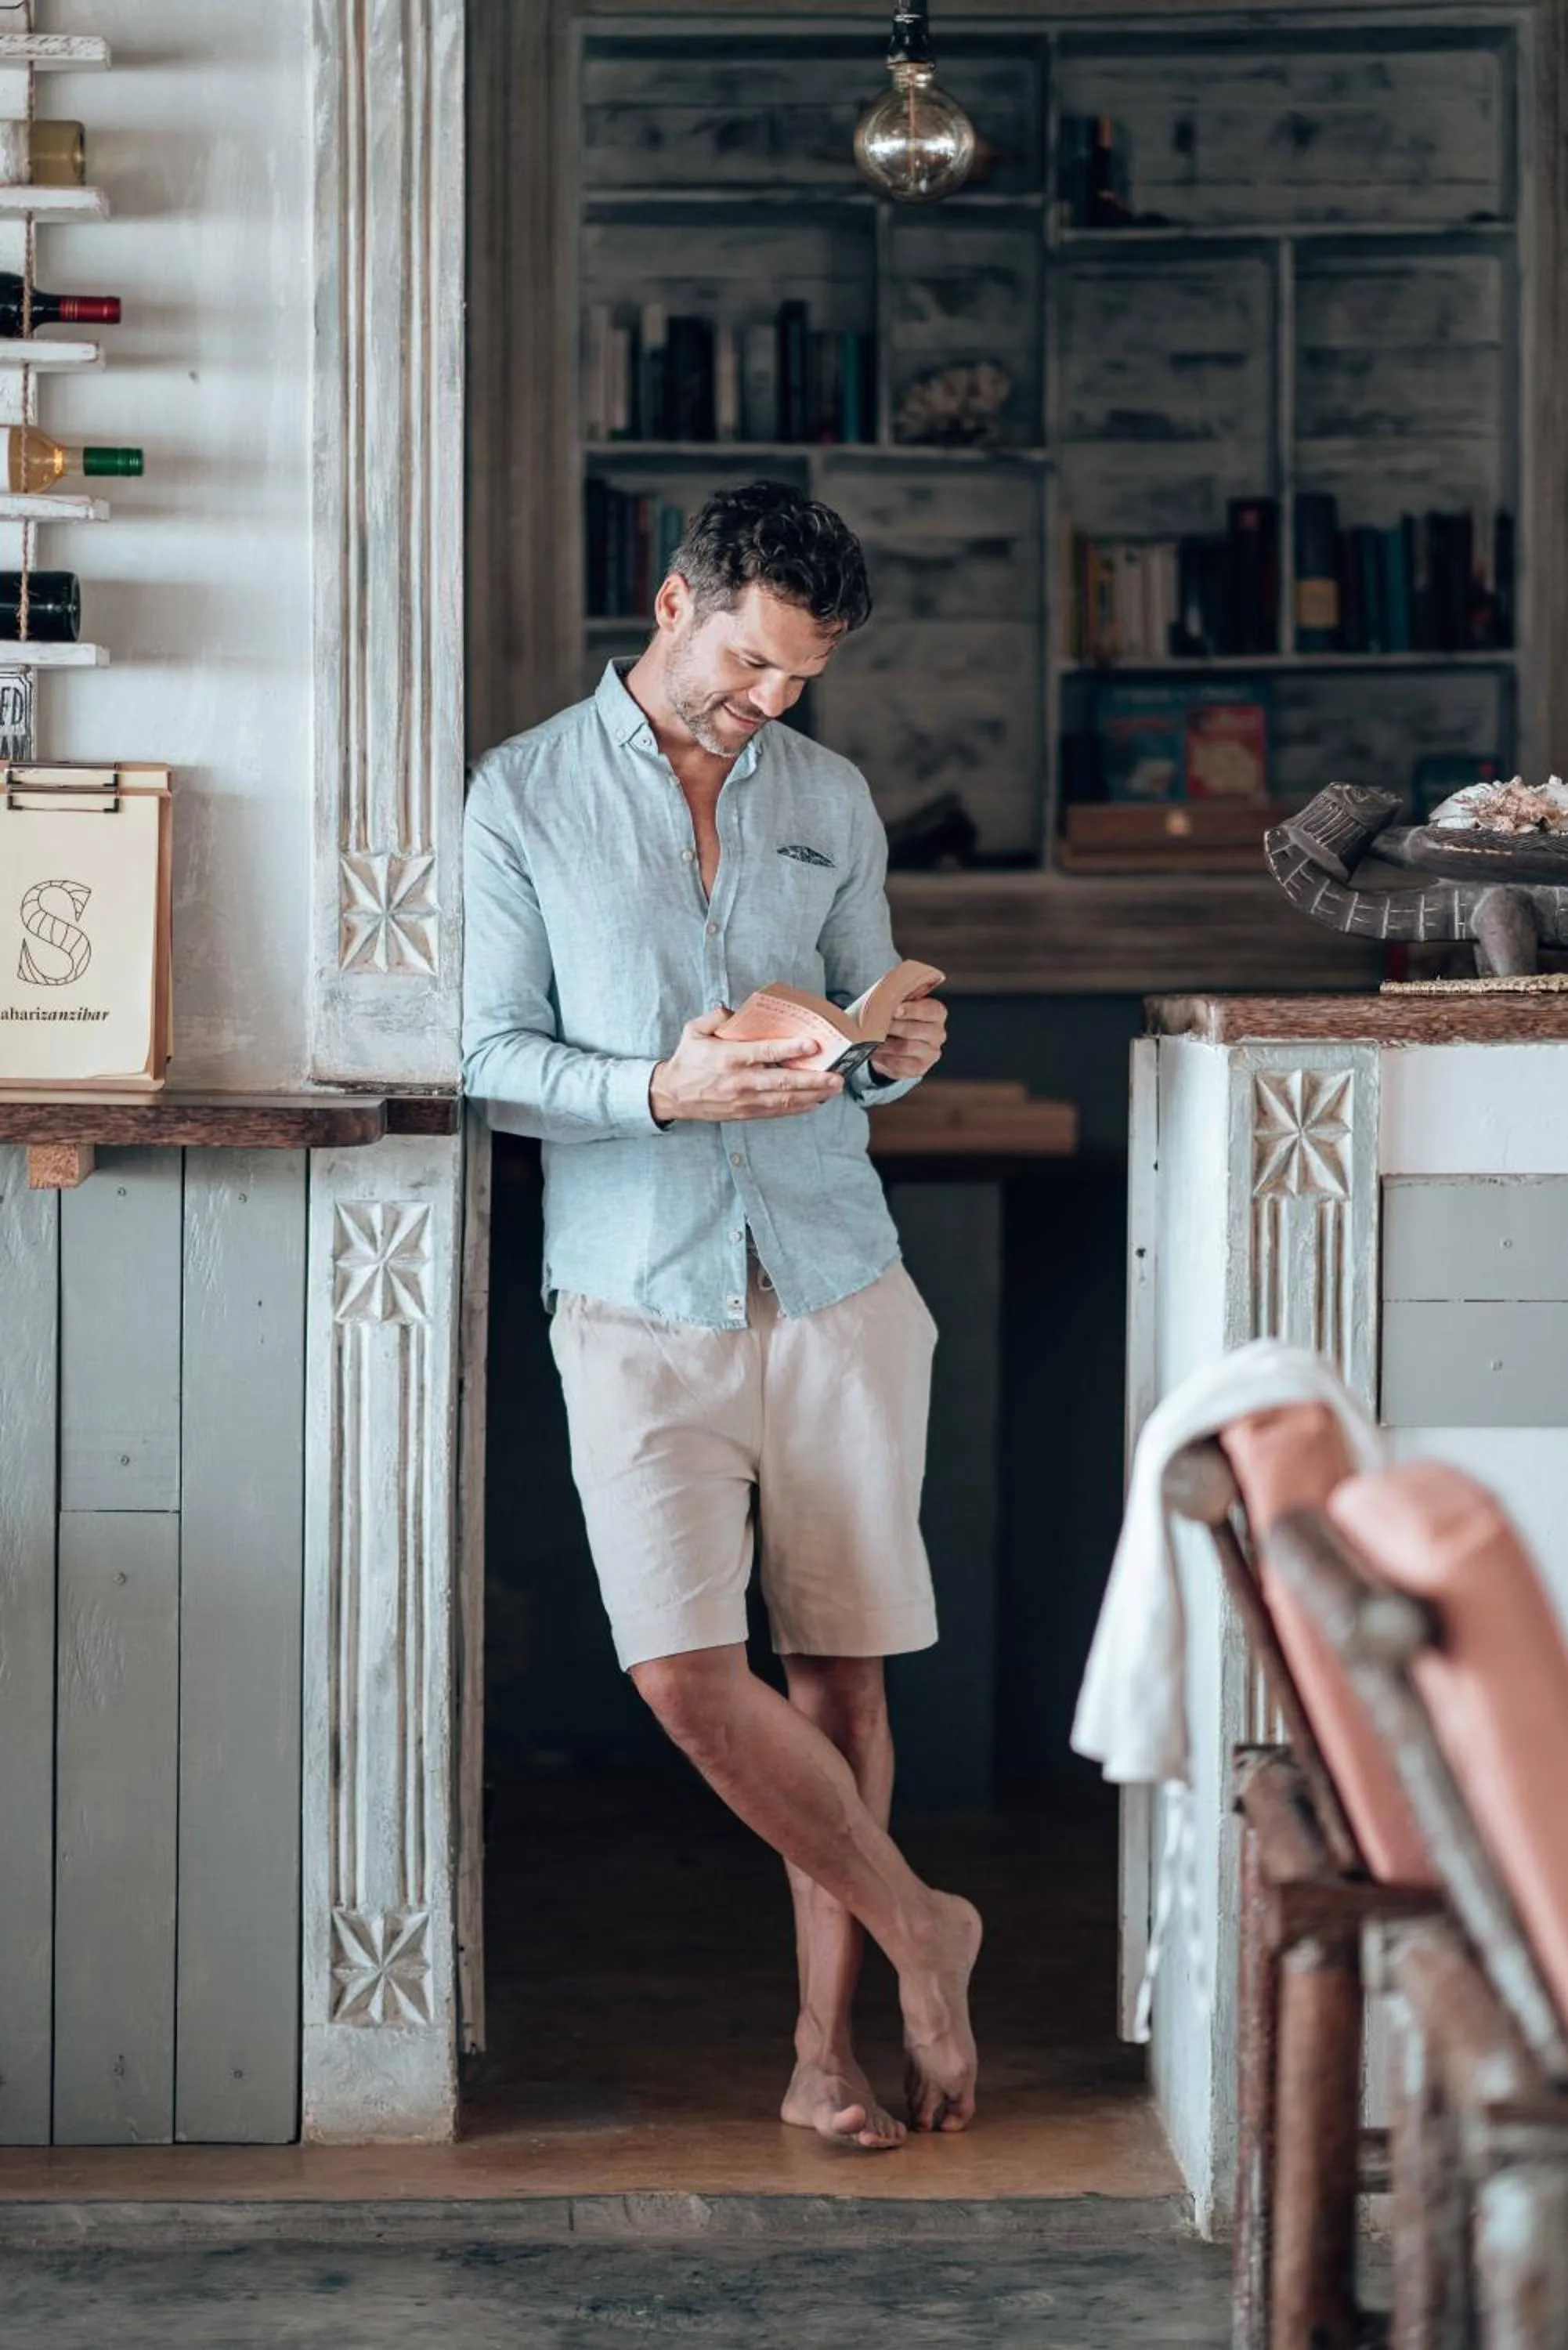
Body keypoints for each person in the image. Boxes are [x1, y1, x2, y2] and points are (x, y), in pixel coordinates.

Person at [462, 481, 981, 2150]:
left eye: (796, 680)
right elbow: (485, 1058)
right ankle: (922, 1924)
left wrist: (895, 1053)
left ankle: (824, 2053)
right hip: (632, 1296)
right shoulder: (520, 794)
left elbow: (863, 1011)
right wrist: (658, 1092)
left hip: (834, 1275)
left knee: (837, 1683)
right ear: (674, 600)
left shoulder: (825, 793)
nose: (765, 703)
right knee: (684, 1672)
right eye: (747, 663)